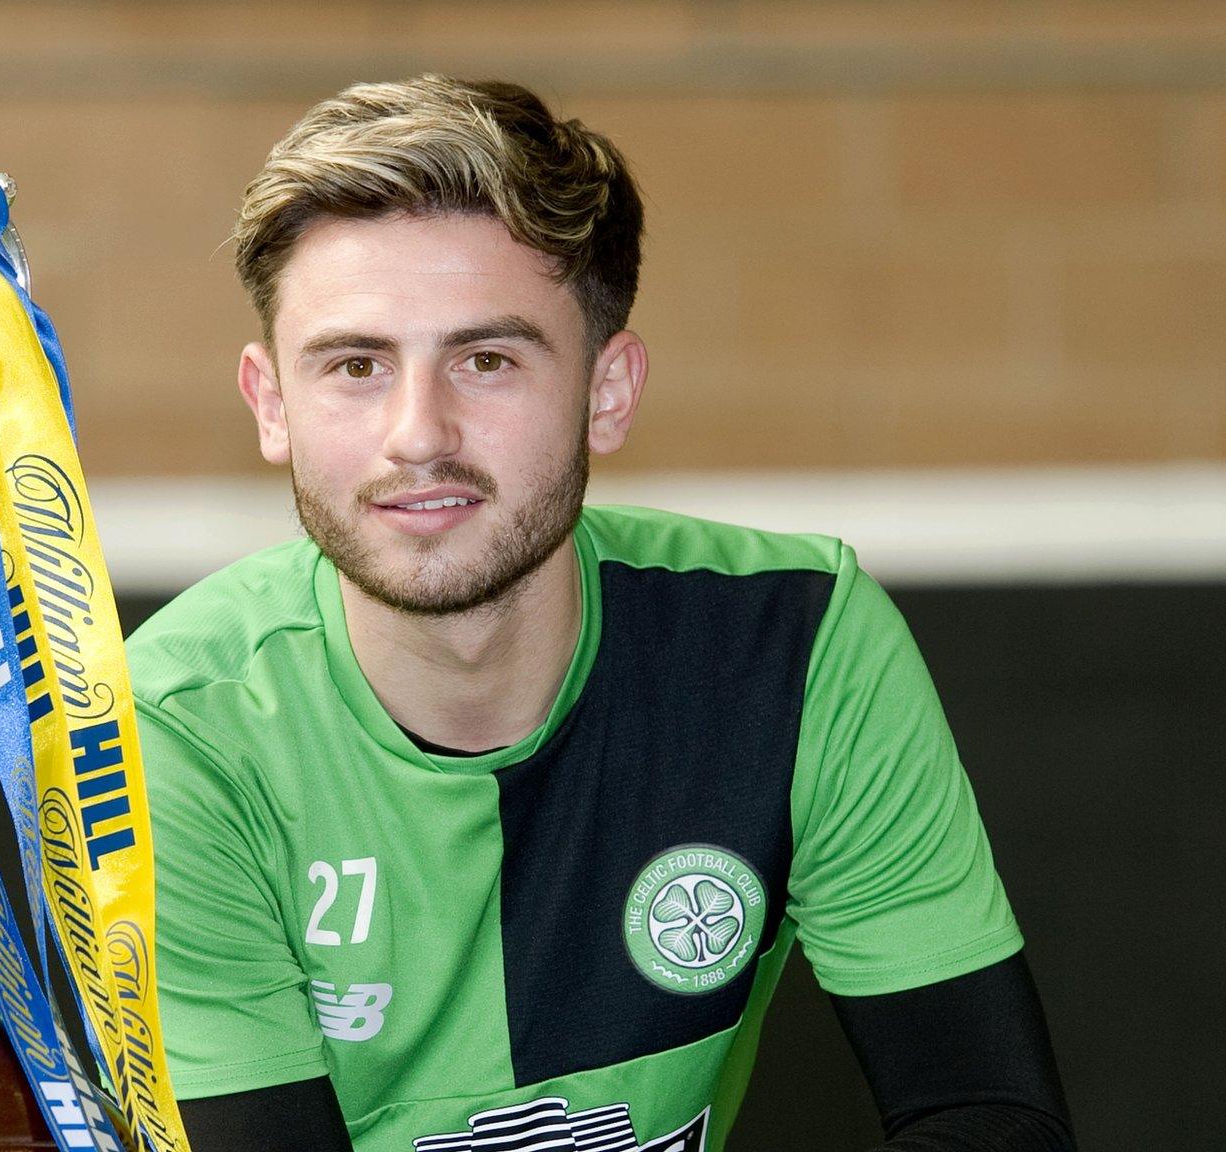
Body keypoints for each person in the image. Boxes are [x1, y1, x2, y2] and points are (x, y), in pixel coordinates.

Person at [127, 76, 1074, 1152]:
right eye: (353, 365)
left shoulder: (795, 643)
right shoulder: (171, 730)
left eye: (485, 361)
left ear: (605, 391)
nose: (415, 435)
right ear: (271, 405)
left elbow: (983, 1112)